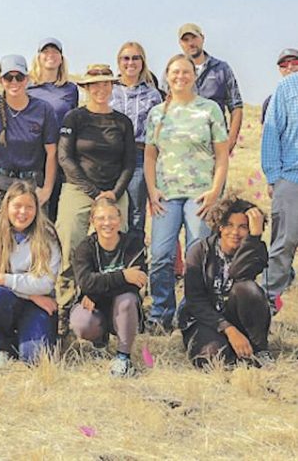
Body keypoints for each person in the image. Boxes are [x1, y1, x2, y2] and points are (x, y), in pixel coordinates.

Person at [144, 54, 229, 332]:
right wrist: (152, 189)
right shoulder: (158, 112)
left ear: (194, 75)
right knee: (160, 255)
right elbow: (150, 156)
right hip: (166, 195)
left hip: (200, 196)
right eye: (175, 72)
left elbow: (222, 156)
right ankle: (160, 313)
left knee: (198, 258)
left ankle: (191, 312)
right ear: (167, 76)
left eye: (186, 72)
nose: (180, 77)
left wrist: (215, 191)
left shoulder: (210, 110)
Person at [55, 64, 135, 334]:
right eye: (95, 84)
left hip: (114, 189)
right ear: (87, 88)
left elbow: (128, 163)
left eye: (106, 83)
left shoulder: (122, 122)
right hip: (79, 188)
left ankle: (116, 309)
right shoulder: (74, 118)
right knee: (69, 241)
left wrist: (113, 193)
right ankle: (64, 308)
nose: (101, 89)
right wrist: (93, 193)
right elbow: (65, 158)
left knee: (118, 244)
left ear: (112, 86)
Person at [179, 195, 272, 367]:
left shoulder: (256, 250)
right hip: (205, 320)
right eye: (229, 225)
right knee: (213, 358)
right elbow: (195, 301)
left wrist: (254, 238)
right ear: (219, 226)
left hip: (237, 316)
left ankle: (259, 350)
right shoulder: (199, 251)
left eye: (243, 227)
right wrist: (228, 329)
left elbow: (238, 273)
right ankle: (235, 352)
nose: (235, 232)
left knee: (248, 289)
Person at [0, 181, 61, 367]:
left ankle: (25, 338)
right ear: (7, 206)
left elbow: (46, 283)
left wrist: (4, 278)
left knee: (35, 358)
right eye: (17, 206)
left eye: (29, 207)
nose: (23, 212)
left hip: (38, 305)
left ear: (37, 209)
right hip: (11, 298)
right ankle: (3, 344)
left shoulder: (47, 234)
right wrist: (31, 294)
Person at [0, 54, 58, 216]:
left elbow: (52, 152)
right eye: (8, 78)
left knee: (35, 239)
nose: (14, 82)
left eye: (19, 77)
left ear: (27, 79)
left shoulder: (44, 109)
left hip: (32, 183)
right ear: (1, 81)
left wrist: (46, 190)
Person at [70, 198, 146, 377]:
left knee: (127, 299)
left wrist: (96, 293)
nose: (107, 223)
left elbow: (136, 284)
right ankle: (99, 342)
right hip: (95, 308)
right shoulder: (84, 248)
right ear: (92, 221)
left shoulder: (133, 245)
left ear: (120, 220)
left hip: (122, 308)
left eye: (112, 217)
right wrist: (123, 276)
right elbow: (85, 282)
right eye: (101, 218)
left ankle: (123, 357)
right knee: (81, 322)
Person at [109, 42, 163, 234]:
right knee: (111, 209)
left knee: (135, 212)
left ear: (142, 62)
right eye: (126, 58)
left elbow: (157, 131)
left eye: (135, 58)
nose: (130, 62)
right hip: (112, 156)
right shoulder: (109, 90)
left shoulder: (152, 94)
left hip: (139, 155)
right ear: (119, 62)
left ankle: (134, 258)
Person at [27, 37, 79, 222]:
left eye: (55, 52)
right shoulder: (27, 86)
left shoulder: (70, 89)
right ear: (38, 57)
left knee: (56, 211)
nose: (51, 55)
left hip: (61, 156)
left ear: (61, 58)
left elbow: (73, 122)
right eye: (46, 51)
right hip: (33, 156)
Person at [261, 64, 298, 311]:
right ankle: (264, 311)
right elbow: (272, 132)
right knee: (283, 245)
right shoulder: (288, 87)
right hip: (292, 178)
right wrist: (275, 177)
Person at [174, 23, 242, 154]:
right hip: (182, 147)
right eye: (186, 40)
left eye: (194, 38)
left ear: (202, 38)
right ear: (180, 43)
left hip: (214, 144)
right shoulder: (174, 71)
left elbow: (236, 106)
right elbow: (163, 106)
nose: (191, 43)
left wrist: (230, 141)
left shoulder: (221, 68)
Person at [261, 48, 298, 124]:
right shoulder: (270, 102)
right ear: (280, 69)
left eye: (295, 62)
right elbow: (267, 132)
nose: (290, 67)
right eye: (284, 65)